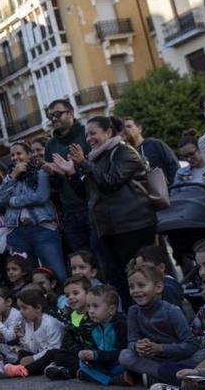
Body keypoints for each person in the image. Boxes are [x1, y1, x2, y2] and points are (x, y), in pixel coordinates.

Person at [60, 116, 157, 306]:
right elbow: (85, 194)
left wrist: (84, 164)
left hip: (132, 226)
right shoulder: (94, 158)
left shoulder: (123, 152)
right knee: (118, 281)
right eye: (86, 134)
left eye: (93, 133)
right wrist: (72, 173)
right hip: (106, 229)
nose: (88, 138)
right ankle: (131, 321)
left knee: (140, 277)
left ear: (108, 132)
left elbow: (110, 182)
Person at [119, 264, 205, 385]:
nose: (135, 291)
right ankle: (172, 376)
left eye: (141, 285)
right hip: (153, 360)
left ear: (158, 287)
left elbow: (191, 345)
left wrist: (160, 348)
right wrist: (137, 346)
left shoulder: (172, 311)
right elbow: (131, 342)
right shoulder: (133, 311)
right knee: (125, 356)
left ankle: (160, 377)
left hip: (180, 359)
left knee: (203, 354)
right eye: (131, 287)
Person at [0, 141, 67, 281]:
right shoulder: (10, 176)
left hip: (42, 229)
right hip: (17, 232)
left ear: (28, 155)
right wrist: (13, 176)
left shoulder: (41, 171)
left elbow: (41, 196)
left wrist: (12, 201)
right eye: (12, 155)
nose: (15, 157)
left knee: (56, 272)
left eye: (19, 153)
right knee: (28, 276)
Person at [43, 98, 93, 252]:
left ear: (71, 113)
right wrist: (53, 174)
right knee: (81, 256)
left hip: (92, 205)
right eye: (50, 116)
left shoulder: (87, 134)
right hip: (69, 210)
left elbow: (97, 168)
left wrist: (78, 164)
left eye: (58, 114)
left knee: (102, 255)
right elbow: (55, 185)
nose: (54, 119)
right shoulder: (51, 145)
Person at [0, 287, 64, 378]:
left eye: (24, 308)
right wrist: (22, 337)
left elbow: (53, 349)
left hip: (53, 355)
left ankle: (20, 369)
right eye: (20, 308)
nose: (21, 312)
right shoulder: (28, 322)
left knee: (51, 354)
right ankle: (16, 367)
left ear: (38, 308)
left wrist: (33, 358)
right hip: (39, 354)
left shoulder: (50, 323)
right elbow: (33, 349)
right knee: (22, 353)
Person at [34, 276, 96, 380]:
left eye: (75, 293)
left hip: (92, 352)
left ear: (88, 293)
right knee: (59, 355)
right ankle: (65, 368)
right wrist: (77, 351)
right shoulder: (69, 316)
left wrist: (85, 352)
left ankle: (68, 372)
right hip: (76, 353)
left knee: (90, 360)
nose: (70, 297)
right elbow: (68, 340)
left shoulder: (93, 314)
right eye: (67, 295)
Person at [77, 284, 127, 385]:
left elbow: (121, 351)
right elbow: (93, 348)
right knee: (82, 362)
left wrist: (96, 355)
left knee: (126, 359)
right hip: (102, 362)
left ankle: (98, 376)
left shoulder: (121, 324)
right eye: (88, 306)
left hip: (116, 362)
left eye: (95, 306)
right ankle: (112, 380)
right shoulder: (92, 325)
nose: (90, 311)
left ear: (111, 309)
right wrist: (86, 353)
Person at [123, 117, 180, 185]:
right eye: (123, 128)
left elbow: (173, 165)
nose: (126, 130)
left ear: (139, 129)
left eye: (129, 126)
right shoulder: (125, 153)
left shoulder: (155, 144)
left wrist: (172, 188)